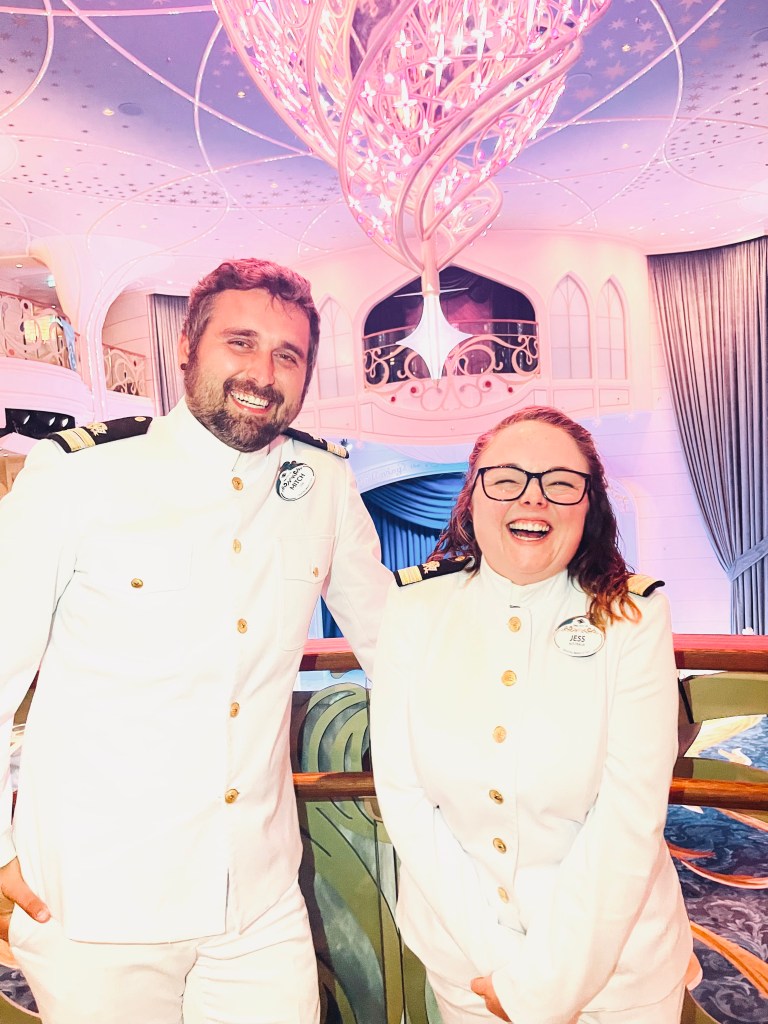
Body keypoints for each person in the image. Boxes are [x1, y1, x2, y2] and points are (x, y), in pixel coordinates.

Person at [0, 258, 392, 1024]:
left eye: (288, 355)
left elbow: (395, 646)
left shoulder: (323, 481)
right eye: (239, 343)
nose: (263, 372)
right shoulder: (79, 475)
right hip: (99, 901)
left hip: (260, 900)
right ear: (188, 347)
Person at [370, 406, 692, 1024]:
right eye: (507, 477)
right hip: (469, 966)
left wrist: (542, 988)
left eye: (560, 482)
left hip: (617, 975)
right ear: (473, 493)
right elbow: (406, 799)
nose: (533, 498)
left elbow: (630, 814)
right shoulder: (415, 607)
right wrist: (501, 970)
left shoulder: (634, 616)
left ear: (589, 504)